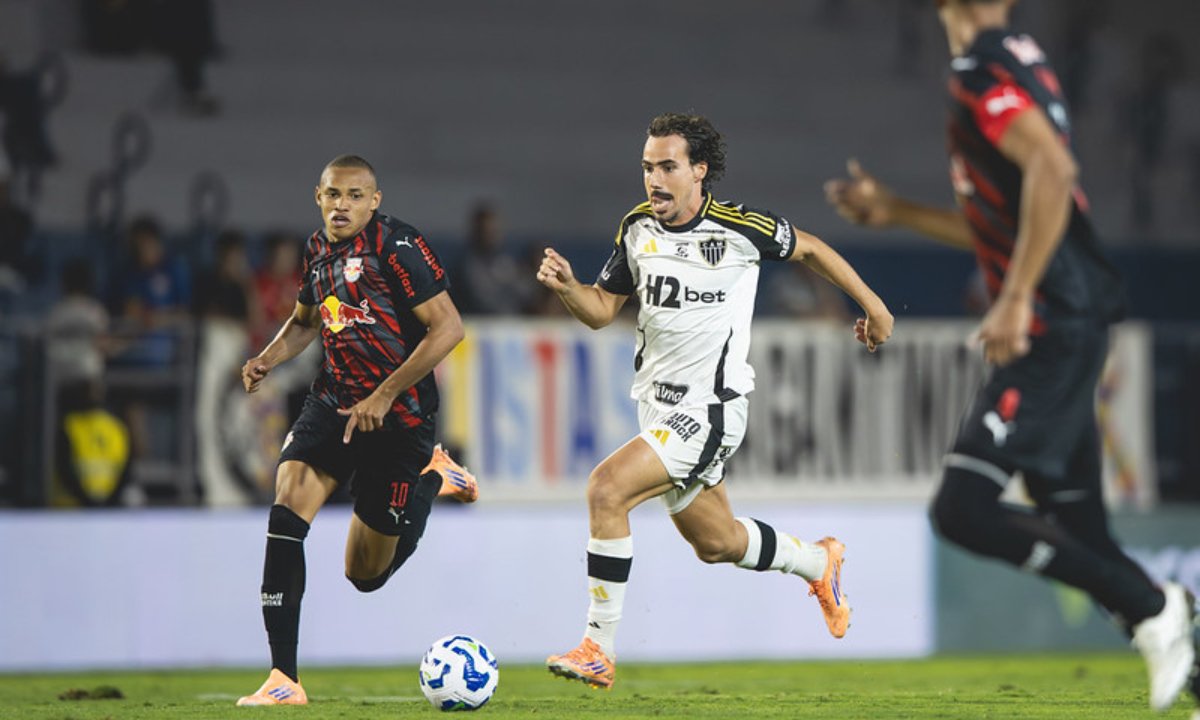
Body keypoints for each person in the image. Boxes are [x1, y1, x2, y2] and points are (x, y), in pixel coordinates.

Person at [823, 1, 1196, 713]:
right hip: (1069, 314)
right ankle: (1176, 637)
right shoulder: (1021, 60)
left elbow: (1053, 172)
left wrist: (1018, 294)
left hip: (1051, 322)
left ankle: (1154, 606)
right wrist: (897, 211)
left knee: (963, 508)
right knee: (1079, 524)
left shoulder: (980, 68)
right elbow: (1012, 211)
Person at [536, 112, 894, 689]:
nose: (654, 178)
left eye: (668, 166)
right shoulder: (635, 228)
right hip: (657, 408)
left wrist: (874, 306)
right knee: (717, 542)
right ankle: (818, 562)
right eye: (648, 166)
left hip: (711, 410)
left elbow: (811, 250)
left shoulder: (739, 227)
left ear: (698, 171)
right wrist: (569, 289)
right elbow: (603, 309)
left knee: (606, 489)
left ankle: (597, 647)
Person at [235, 155, 478, 706]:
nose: (341, 205)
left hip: (401, 419)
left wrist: (386, 393)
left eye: (353, 195)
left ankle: (433, 478)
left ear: (375, 200)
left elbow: (449, 329)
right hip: (334, 403)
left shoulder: (397, 248)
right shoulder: (316, 250)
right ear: (317, 197)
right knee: (287, 505)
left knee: (365, 575)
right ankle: (284, 679)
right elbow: (304, 322)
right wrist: (267, 359)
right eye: (331, 194)